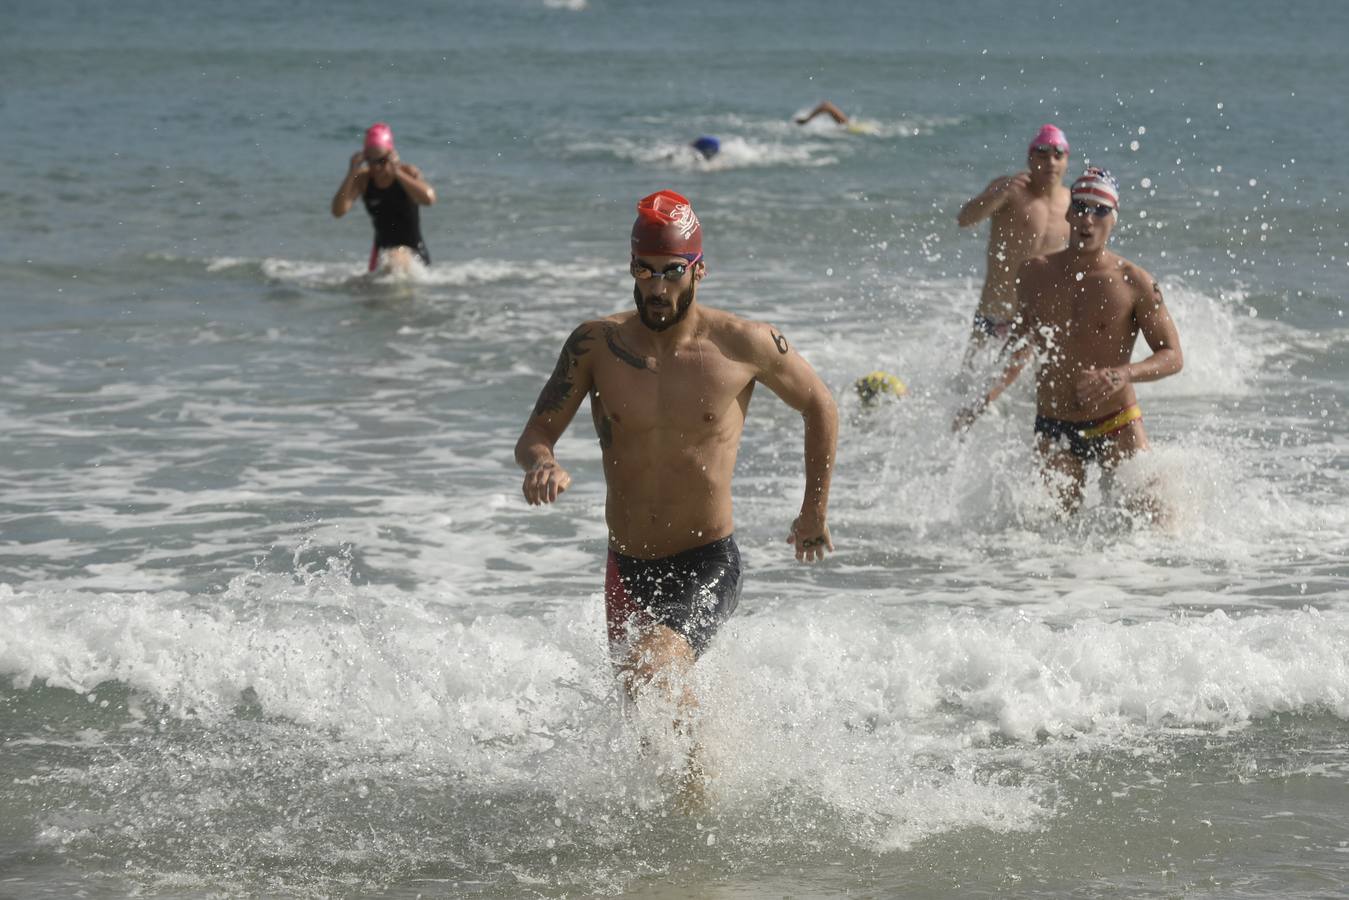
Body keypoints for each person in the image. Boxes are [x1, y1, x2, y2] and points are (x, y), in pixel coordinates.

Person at [514, 189, 838, 793]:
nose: (657, 288)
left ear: (698, 269)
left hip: (705, 560)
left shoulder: (743, 344)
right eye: (645, 271)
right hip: (626, 566)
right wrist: (542, 462)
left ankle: (703, 820)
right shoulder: (596, 346)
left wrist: (812, 511)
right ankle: (676, 849)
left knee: (656, 669)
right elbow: (536, 432)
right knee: (645, 722)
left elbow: (820, 405)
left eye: (671, 272)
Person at [955, 168, 1184, 513]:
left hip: (1116, 421)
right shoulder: (1034, 272)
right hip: (1054, 426)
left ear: (1114, 219)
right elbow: (1022, 343)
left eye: (1100, 210)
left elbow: (1172, 356)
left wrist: (1123, 373)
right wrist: (985, 398)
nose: (1087, 218)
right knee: (1052, 542)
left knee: (1154, 518)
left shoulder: (1134, 282)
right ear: (1068, 212)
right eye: (1079, 207)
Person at [956, 124, 1072, 355]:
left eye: (1058, 155)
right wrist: (998, 195)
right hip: (993, 316)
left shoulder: (1071, 203)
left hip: (1036, 322)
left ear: (1066, 160)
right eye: (1043, 154)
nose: (1051, 162)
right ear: (1030, 157)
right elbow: (965, 219)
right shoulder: (1009, 190)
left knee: (1036, 390)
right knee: (967, 387)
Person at [330, 123, 437, 272]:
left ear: (391, 155)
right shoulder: (363, 179)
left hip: (413, 252)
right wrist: (351, 173)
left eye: (381, 161)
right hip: (381, 253)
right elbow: (338, 211)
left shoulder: (408, 172)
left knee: (394, 261)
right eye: (370, 161)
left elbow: (429, 198)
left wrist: (397, 172)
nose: (376, 167)